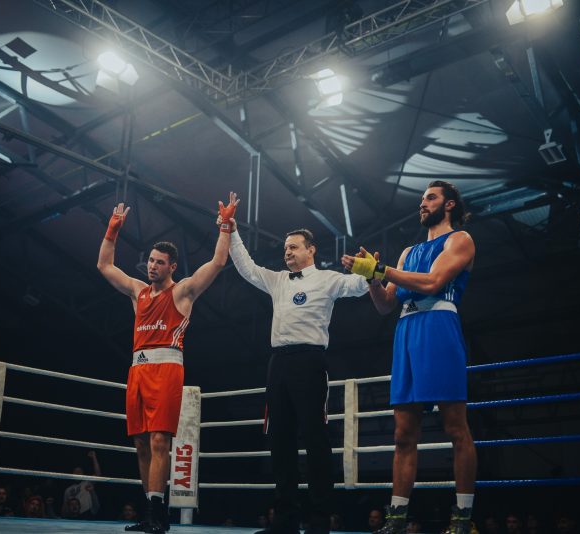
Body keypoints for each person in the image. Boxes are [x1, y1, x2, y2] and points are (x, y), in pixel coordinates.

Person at [220, 205, 369, 534]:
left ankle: (319, 520)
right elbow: (246, 267)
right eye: (285, 247)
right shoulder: (278, 281)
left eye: (293, 247)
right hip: (278, 363)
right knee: (280, 440)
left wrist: (372, 270)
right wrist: (232, 229)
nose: (287, 252)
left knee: (316, 440)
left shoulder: (327, 279)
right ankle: (285, 519)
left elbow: (358, 286)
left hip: (310, 362)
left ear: (310, 250)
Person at [342, 180, 477, 534]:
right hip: (406, 332)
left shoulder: (459, 240)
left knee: (455, 428)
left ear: (449, 204)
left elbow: (433, 283)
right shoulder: (407, 253)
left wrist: (380, 270)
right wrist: (371, 278)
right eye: (422, 199)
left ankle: (463, 518)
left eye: (431, 198)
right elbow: (386, 305)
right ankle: (396, 519)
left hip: (439, 326)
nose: (423, 203)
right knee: (403, 434)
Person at [98, 194, 237, 534]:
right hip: (138, 370)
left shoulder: (184, 292)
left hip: (167, 370)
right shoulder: (138, 292)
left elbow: (218, 262)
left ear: (172, 266)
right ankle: (151, 512)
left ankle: (157, 513)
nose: (152, 266)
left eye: (159, 263)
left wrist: (224, 226)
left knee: (160, 440)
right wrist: (112, 231)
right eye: (150, 261)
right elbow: (105, 266)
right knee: (141, 443)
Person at [62, 450, 101, 518]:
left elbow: (98, 474)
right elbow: (64, 507)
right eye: (75, 472)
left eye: (79, 472)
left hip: (87, 514)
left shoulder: (87, 482)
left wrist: (94, 457)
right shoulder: (67, 490)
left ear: (83, 474)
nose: (77, 473)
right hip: (73, 517)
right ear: (72, 474)